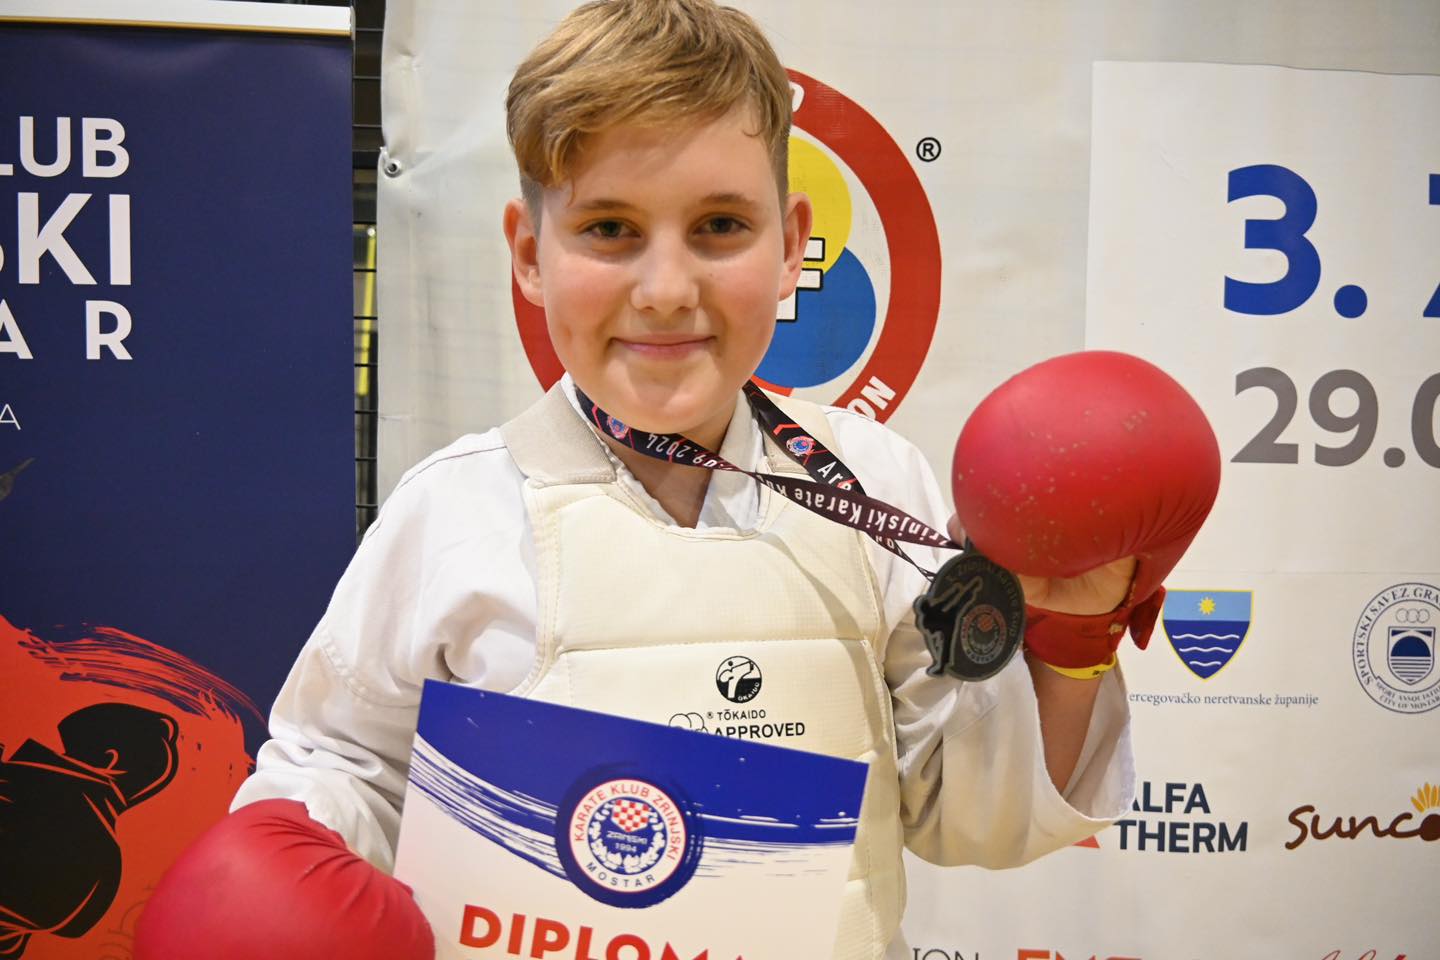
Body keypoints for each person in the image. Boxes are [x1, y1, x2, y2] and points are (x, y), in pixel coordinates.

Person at [136, 3, 1217, 959]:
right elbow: (346, 762)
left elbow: (970, 815)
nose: (665, 288)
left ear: (792, 248)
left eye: (719, 227)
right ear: (529, 253)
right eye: (609, 229)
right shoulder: (452, 512)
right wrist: (286, 860)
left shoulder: (877, 486)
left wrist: (1074, 629)